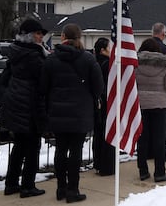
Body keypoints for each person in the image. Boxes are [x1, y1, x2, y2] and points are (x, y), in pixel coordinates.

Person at [40, 23, 104, 203]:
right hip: (80, 112)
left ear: (62, 37)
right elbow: (99, 87)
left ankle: (61, 188)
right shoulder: (88, 60)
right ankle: (73, 190)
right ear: (79, 38)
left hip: (57, 111)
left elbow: (43, 87)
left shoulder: (51, 60)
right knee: (76, 151)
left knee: (60, 150)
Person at [0, 19, 48, 198]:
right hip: (29, 107)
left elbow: (4, 80)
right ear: (28, 35)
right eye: (37, 33)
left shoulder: (15, 52)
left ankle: (11, 184)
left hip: (15, 105)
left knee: (19, 147)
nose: (41, 37)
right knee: (32, 148)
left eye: (42, 34)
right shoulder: (35, 56)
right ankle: (28, 186)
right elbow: (43, 83)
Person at [135, 38, 166, 182]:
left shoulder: (135, 64)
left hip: (141, 105)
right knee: (159, 139)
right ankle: (159, 172)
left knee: (142, 139)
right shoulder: (164, 66)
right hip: (159, 105)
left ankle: (143, 170)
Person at [92, 37, 115, 176]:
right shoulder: (107, 65)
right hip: (107, 101)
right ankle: (106, 165)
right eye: (109, 47)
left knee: (99, 133)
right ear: (102, 50)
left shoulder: (94, 63)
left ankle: (98, 162)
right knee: (107, 134)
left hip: (98, 103)